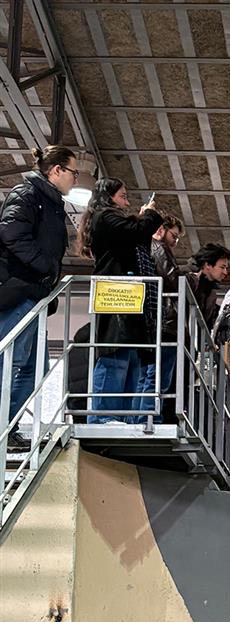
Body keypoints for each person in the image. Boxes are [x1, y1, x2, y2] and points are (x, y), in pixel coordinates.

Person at [0, 145, 77, 448]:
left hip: (34, 294)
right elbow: (11, 234)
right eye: (73, 173)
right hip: (19, 290)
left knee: (35, 369)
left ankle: (6, 427)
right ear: (56, 170)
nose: (74, 179)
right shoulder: (27, 194)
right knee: (10, 361)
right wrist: (45, 267)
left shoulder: (50, 201)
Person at [76, 178, 163, 424]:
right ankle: (102, 417)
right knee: (114, 356)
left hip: (130, 296)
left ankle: (120, 417)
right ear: (109, 196)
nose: (126, 202)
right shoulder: (104, 217)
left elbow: (136, 237)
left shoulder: (110, 220)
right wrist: (148, 214)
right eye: (123, 196)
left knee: (130, 360)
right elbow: (136, 232)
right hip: (116, 295)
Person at [136, 213, 184, 421]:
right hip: (164, 321)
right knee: (157, 376)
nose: (175, 242)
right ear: (162, 230)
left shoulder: (147, 249)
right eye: (174, 236)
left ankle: (140, 416)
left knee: (146, 375)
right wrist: (191, 278)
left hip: (153, 319)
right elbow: (172, 279)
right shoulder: (159, 248)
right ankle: (150, 417)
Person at [187, 242, 230, 332]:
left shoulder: (210, 291)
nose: (225, 272)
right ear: (208, 265)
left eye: (226, 268)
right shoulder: (186, 278)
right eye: (222, 267)